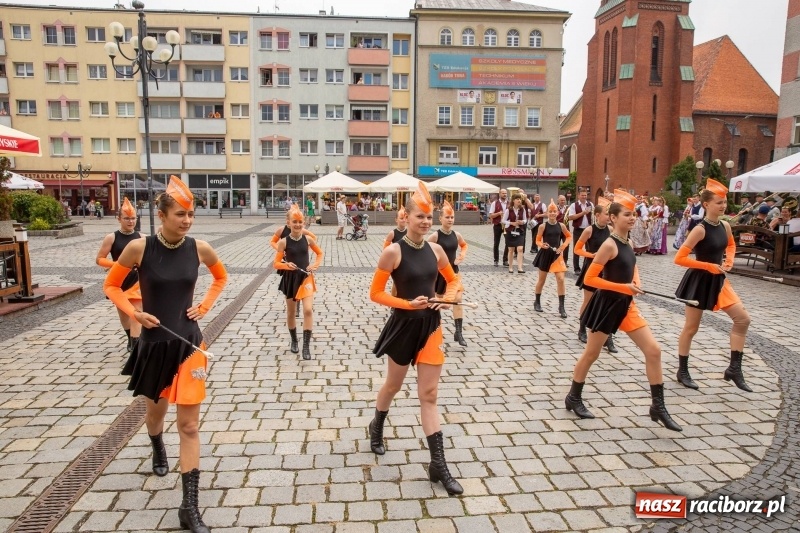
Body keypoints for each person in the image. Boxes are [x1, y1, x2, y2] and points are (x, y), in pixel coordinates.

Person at [103, 177, 228, 533]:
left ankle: (189, 507)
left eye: (190, 214)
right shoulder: (138, 249)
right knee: (154, 415)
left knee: (189, 425)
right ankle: (156, 443)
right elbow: (111, 285)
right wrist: (134, 312)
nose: (187, 220)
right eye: (179, 214)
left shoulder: (200, 248)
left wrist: (204, 305)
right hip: (155, 345)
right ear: (161, 215)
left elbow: (221, 277)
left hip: (190, 346)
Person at [368, 181, 463, 496]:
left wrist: (445, 298)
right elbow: (376, 294)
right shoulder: (392, 252)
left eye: (429, 217)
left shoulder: (436, 251)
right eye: (419, 216)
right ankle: (377, 424)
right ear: (405, 217)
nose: (425, 221)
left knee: (430, 394)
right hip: (404, 326)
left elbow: (453, 281)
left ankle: (438, 464)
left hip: (431, 327)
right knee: (393, 386)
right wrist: (406, 304)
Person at [566, 189, 681, 432]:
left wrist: (636, 283)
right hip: (607, 305)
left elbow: (632, 266)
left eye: (634, 214)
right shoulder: (608, 245)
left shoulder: (627, 241)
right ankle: (573, 397)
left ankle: (658, 406)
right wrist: (622, 286)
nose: (632, 218)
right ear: (613, 218)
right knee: (591, 354)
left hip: (627, 305)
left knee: (654, 350)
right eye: (627, 214)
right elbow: (591, 278)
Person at [674, 179, 752, 392]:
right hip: (699, 281)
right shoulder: (699, 230)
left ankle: (734, 368)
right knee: (691, 328)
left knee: (742, 319)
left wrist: (729, 260)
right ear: (706, 204)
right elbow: (679, 258)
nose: (723, 206)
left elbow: (731, 244)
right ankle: (682, 371)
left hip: (719, 281)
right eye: (719, 202)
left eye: (725, 202)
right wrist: (708, 266)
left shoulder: (725, 225)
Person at [274, 204, 323, 360]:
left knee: (308, 310)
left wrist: (315, 264)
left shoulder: (308, 239)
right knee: (291, 312)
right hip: (291, 279)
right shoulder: (283, 242)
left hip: (306, 278)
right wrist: (286, 265)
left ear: (304, 222)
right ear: (288, 223)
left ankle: (306, 346)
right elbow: (276, 264)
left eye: (300, 222)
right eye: (294, 222)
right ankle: (294, 340)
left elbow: (320, 253)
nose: (297, 224)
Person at [96, 198, 144, 357]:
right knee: (124, 313)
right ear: (119, 219)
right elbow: (100, 259)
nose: (131, 221)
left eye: (133, 218)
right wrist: (115, 265)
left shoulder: (141, 237)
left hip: (137, 280)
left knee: (136, 312)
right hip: (119, 280)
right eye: (127, 218)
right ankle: (130, 338)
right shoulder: (112, 238)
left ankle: (136, 346)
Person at [428, 201, 469, 346]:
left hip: (454, 273)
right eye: (447, 217)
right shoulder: (435, 236)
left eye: (452, 217)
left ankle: (459, 332)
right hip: (439, 274)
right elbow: (426, 251)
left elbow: (464, 245)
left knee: (457, 299)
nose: (450, 220)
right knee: (438, 302)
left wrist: (461, 256)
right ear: (440, 219)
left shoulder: (456, 235)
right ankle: (435, 330)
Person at [574, 201, 613, 350]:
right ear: (597, 215)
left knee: (607, 303)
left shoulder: (610, 229)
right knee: (589, 301)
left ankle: (607, 336)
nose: (608, 217)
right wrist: (591, 255)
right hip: (591, 268)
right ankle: (582, 328)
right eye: (606, 214)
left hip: (607, 270)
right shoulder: (589, 230)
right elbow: (577, 249)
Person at [532, 200, 571, 318]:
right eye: (550, 211)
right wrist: (541, 245)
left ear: (558, 212)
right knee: (542, 280)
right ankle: (537, 301)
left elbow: (569, 236)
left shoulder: (561, 226)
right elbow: (537, 240)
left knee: (560, 279)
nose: (552, 213)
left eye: (554, 211)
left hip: (557, 255)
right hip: (545, 254)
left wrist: (563, 246)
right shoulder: (542, 226)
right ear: (547, 213)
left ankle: (561, 306)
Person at [567, 188, 594, 274]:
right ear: (578, 196)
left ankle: (586, 266)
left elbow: (593, 215)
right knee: (576, 248)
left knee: (589, 249)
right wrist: (583, 213)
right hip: (578, 229)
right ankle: (576, 268)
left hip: (588, 230)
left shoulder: (590, 204)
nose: (584, 197)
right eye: (582, 195)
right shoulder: (573, 205)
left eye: (585, 195)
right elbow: (570, 217)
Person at [502, 194, 527, 273]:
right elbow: (503, 221)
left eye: (520, 199)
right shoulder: (508, 210)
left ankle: (520, 268)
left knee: (520, 249)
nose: (519, 200)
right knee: (511, 250)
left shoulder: (522, 209)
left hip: (520, 231)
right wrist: (511, 223)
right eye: (517, 199)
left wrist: (522, 222)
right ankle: (510, 267)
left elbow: (526, 219)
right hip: (510, 231)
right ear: (513, 200)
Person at [489, 189, 509, 266]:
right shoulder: (495, 203)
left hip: (505, 225)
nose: (505, 194)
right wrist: (498, 213)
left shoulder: (509, 203)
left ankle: (505, 260)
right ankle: (496, 260)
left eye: (505, 193)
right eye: (503, 193)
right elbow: (491, 215)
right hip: (497, 225)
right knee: (496, 243)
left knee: (508, 242)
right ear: (500, 194)